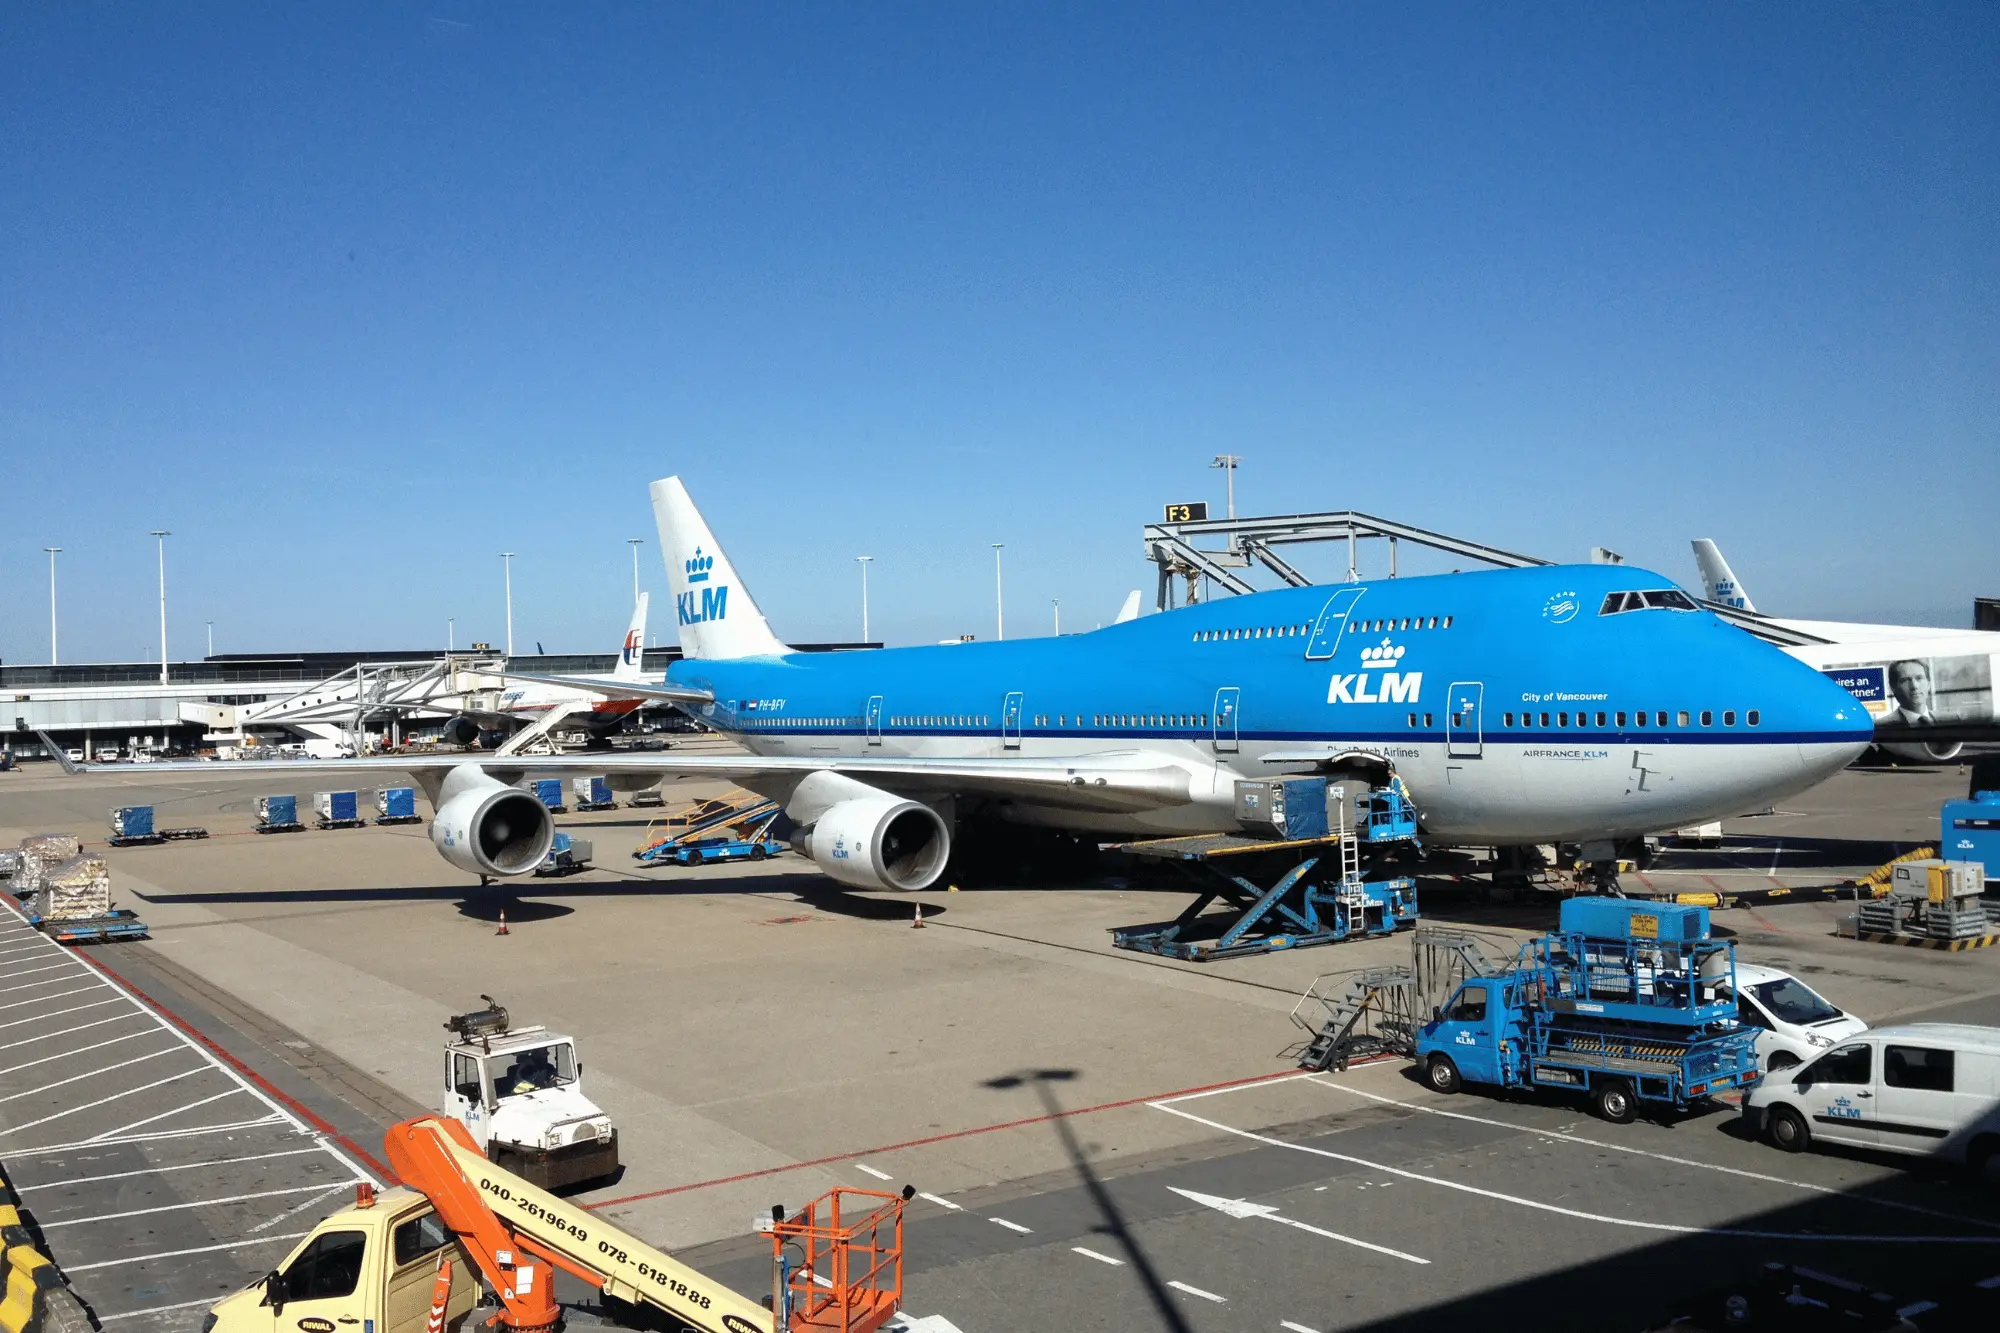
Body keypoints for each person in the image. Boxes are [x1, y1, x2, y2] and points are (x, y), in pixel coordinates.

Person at [1887, 659, 1936, 727]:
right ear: (1893, 687)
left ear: (1929, 683)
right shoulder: (1881, 727)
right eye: (1905, 680)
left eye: (1919, 678)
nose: (1914, 686)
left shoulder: (1951, 719)